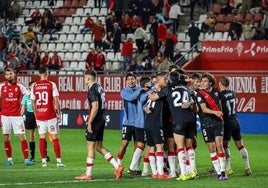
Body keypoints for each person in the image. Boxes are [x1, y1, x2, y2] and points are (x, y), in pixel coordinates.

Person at [75, 70, 123, 180]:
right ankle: (117, 166)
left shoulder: (92, 90)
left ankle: (88, 174)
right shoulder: (99, 87)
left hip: (96, 119)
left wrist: (90, 122)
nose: (84, 80)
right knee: (98, 146)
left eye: (84, 78)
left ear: (88, 78)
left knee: (90, 146)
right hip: (102, 118)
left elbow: (95, 106)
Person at [31, 66, 64, 167]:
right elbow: (56, 101)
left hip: (40, 115)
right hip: (50, 115)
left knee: (42, 138)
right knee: (55, 138)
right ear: (47, 73)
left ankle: (43, 161)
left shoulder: (35, 86)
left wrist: (36, 114)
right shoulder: (51, 84)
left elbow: (33, 102)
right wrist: (59, 113)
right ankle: (58, 162)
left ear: (39, 74)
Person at [0, 68, 34, 166]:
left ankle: (26, 160)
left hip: (16, 116)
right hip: (5, 116)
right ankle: (9, 159)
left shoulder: (20, 86)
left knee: (22, 137)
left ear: (14, 75)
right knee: (6, 137)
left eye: (11, 73)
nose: (10, 75)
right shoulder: (2, 86)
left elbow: (30, 94)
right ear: (5, 76)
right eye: (7, 74)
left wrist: (27, 105)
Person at [196, 73, 227, 180]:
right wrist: (216, 112)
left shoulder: (217, 92)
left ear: (210, 82)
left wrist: (220, 113)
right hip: (206, 123)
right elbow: (203, 109)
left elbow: (221, 104)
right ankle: (218, 172)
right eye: (201, 81)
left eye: (205, 81)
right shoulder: (200, 94)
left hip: (217, 122)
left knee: (219, 145)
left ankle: (223, 172)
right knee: (212, 148)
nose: (202, 83)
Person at [219, 76, 251, 176]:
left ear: (220, 84)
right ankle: (247, 167)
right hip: (235, 120)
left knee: (225, 145)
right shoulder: (233, 92)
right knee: (240, 145)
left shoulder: (220, 95)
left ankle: (228, 168)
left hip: (227, 122)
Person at [167, 71, 197, 181]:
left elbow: (157, 96)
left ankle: (184, 173)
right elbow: (195, 96)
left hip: (179, 120)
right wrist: (190, 102)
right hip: (190, 119)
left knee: (180, 147)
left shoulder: (169, 89)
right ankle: (192, 171)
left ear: (170, 79)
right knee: (189, 146)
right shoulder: (186, 88)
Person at [144, 72, 172, 179]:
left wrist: (147, 105)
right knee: (159, 146)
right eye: (164, 79)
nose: (166, 81)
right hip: (156, 123)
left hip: (148, 123)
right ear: (158, 80)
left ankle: (155, 173)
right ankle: (161, 173)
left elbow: (149, 101)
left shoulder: (153, 92)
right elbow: (153, 98)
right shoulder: (165, 91)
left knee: (151, 147)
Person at [127, 76, 152, 175]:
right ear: (146, 84)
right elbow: (142, 100)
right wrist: (149, 92)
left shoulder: (143, 92)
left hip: (139, 123)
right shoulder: (143, 94)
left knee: (140, 146)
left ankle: (132, 167)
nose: (151, 84)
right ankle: (143, 169)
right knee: (147, 145)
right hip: (143, 124)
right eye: (150, 82)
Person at [21, 81, 51, 163]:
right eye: (33, 85)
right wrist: (19, 118)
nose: (34, 86)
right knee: (31, 136)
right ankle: (32, 157)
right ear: (30, 87)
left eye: (35, 85)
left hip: (39, 114)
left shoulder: (39, 95)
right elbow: (23, 108)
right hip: (30, 115)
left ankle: (45, 156)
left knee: (43, 135)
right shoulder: (26, 97)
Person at [117, 73, 141, 167]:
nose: (131, 81)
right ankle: (119, 163)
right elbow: (131, 98)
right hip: (127, 122)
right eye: (129, 79)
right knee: (125, 142)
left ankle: (135, 166)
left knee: (138, 145)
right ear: (126, 81)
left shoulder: (140, 89)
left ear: (136, 80)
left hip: (139, 123)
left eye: (132, 79)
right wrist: (141, 91)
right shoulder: (124, 91)